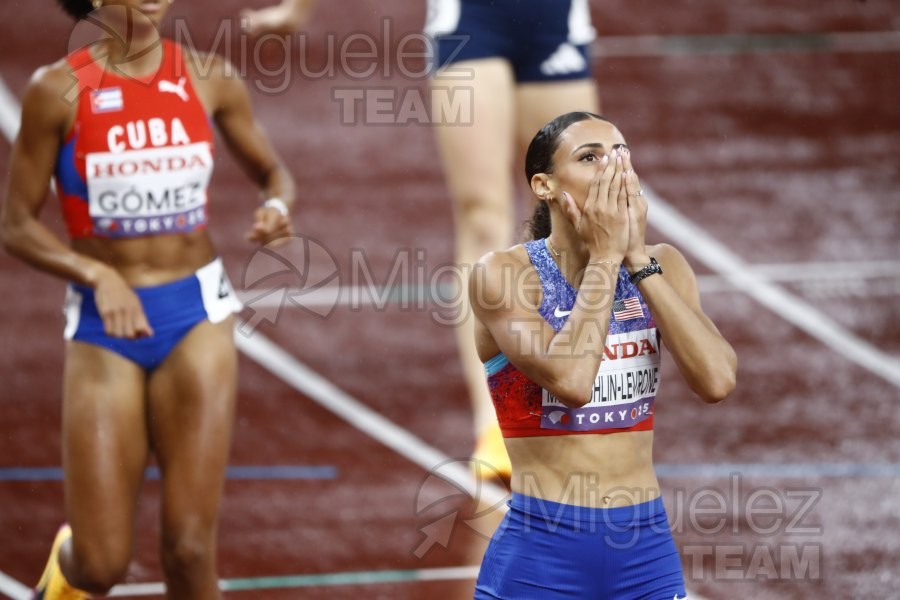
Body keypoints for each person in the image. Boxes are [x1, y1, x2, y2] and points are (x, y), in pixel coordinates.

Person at [0, 0, 295, 598]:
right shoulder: (57, 90)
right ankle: (66, 566)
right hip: (105, 327)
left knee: (189, 551)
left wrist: (276, 206)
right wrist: (95, 274)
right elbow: (15, 226)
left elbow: (273, 171)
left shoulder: (209, 76)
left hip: (197, 314)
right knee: (103, 565)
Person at [240, 0, 601, 481]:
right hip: (472, 22)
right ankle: (496, 420)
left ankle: (584, 398)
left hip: (555, 19)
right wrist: (297, 10)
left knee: (578, 215)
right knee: (483, 218)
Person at [468, 111, 737, 597]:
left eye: (620, 155)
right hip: (541, 557)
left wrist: (635, 259)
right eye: (590, 158)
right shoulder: (503, 275)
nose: (613, 170)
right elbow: (572, 383)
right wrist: (607, 257)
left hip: (646, 552)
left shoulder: (663, 264)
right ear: (544, 185)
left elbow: (717, 381)